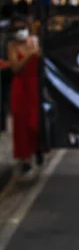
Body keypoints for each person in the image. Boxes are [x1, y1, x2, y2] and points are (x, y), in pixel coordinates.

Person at [7, 16, 42, 179]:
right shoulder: (12, 46)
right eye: (16, 28)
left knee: (35, 122)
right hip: (20, 88)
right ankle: (25, 159)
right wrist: (28, 55)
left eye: (22, 27)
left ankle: (38, 149)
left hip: (35, 87)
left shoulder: (35, 41)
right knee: (21, 123)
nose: (19, 31)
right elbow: (15, 68)